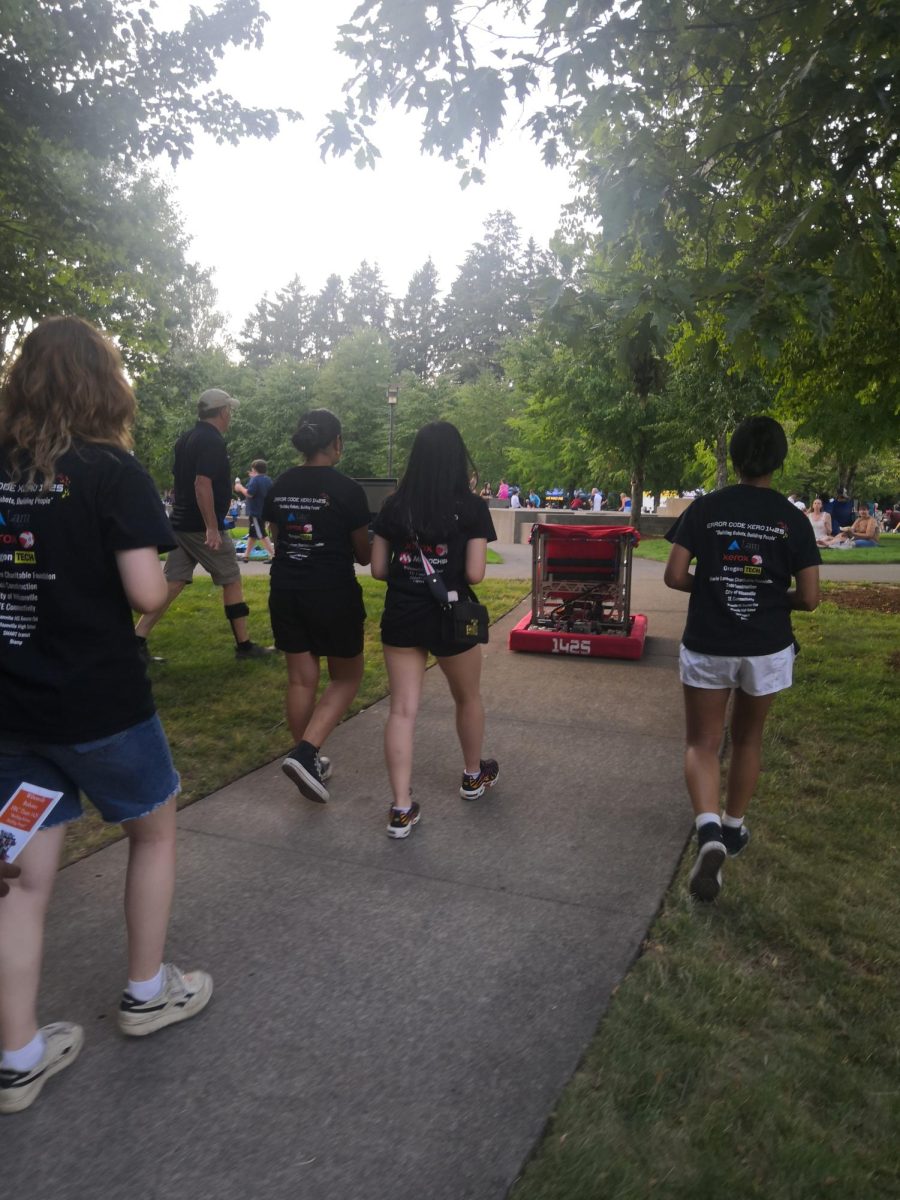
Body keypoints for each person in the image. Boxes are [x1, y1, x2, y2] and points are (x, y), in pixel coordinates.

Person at [0, 317, 212, 1116]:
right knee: (152, 832)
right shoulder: (109, 470)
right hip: (102, 705)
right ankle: (146, 991)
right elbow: (149, 594)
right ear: (105, 383)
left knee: (18, 881)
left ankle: (17, 1056)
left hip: (13, 712)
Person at [663, 415, 820, 903]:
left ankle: (708, 831)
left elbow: (673, 575)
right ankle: (732, 828)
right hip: (766, 646)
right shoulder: (792, 518)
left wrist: (713, 588)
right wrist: (771, 596)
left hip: (709, 639)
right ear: (779, 459)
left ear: (734, 456)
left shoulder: (706, 508)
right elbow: (810, 597)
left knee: (703, 743)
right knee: (748, 739)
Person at [371, 422, 499, 839]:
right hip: (452, 617)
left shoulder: (393, 507)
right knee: (468, 697)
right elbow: (476, 574)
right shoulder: (473, 508)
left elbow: (377, 569)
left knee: (402, 710)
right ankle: (472, 775)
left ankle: (401, 809)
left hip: (403, 615)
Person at [265, 409, 372, 803]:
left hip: (287, 589)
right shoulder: (348, 490)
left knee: (300, 680)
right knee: (346, 677)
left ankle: (305, 757)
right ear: (336, 443)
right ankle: (306, 754)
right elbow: (363, 555)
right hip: (332, 592)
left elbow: (279, 534)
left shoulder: (280, 485)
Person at [135, 388, 272, 661]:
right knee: (231, 579)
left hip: (181, 523)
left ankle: (135, 641)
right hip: (200, 527)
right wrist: (211, 526)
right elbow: (201, 483)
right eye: (229, 411)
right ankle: (244, 647)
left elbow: (182, 482)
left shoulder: (185, 439)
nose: (230, 416)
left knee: (172, 583)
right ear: (223, 412)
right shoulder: (211, 441)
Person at [234, 458, 275, 562]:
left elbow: (249, 493)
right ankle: (246, 555)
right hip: (264, 511)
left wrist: (239, 487)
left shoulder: (255, 480)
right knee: (253, 534)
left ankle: (273, 555)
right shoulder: (268, 480)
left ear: (254, 469)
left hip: (256, 512)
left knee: (261, 534)